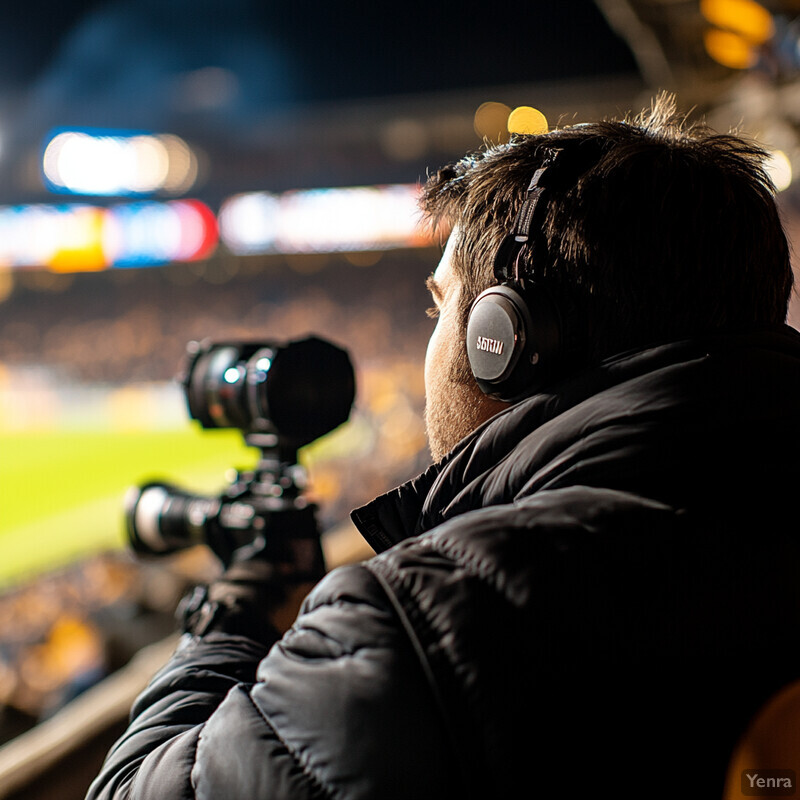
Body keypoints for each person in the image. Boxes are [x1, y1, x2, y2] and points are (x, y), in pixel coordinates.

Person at [86, 94, 800, 800]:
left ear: (505, 342)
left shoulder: (417, 632)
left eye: (438, 303)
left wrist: (228, 619)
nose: (431, 333)